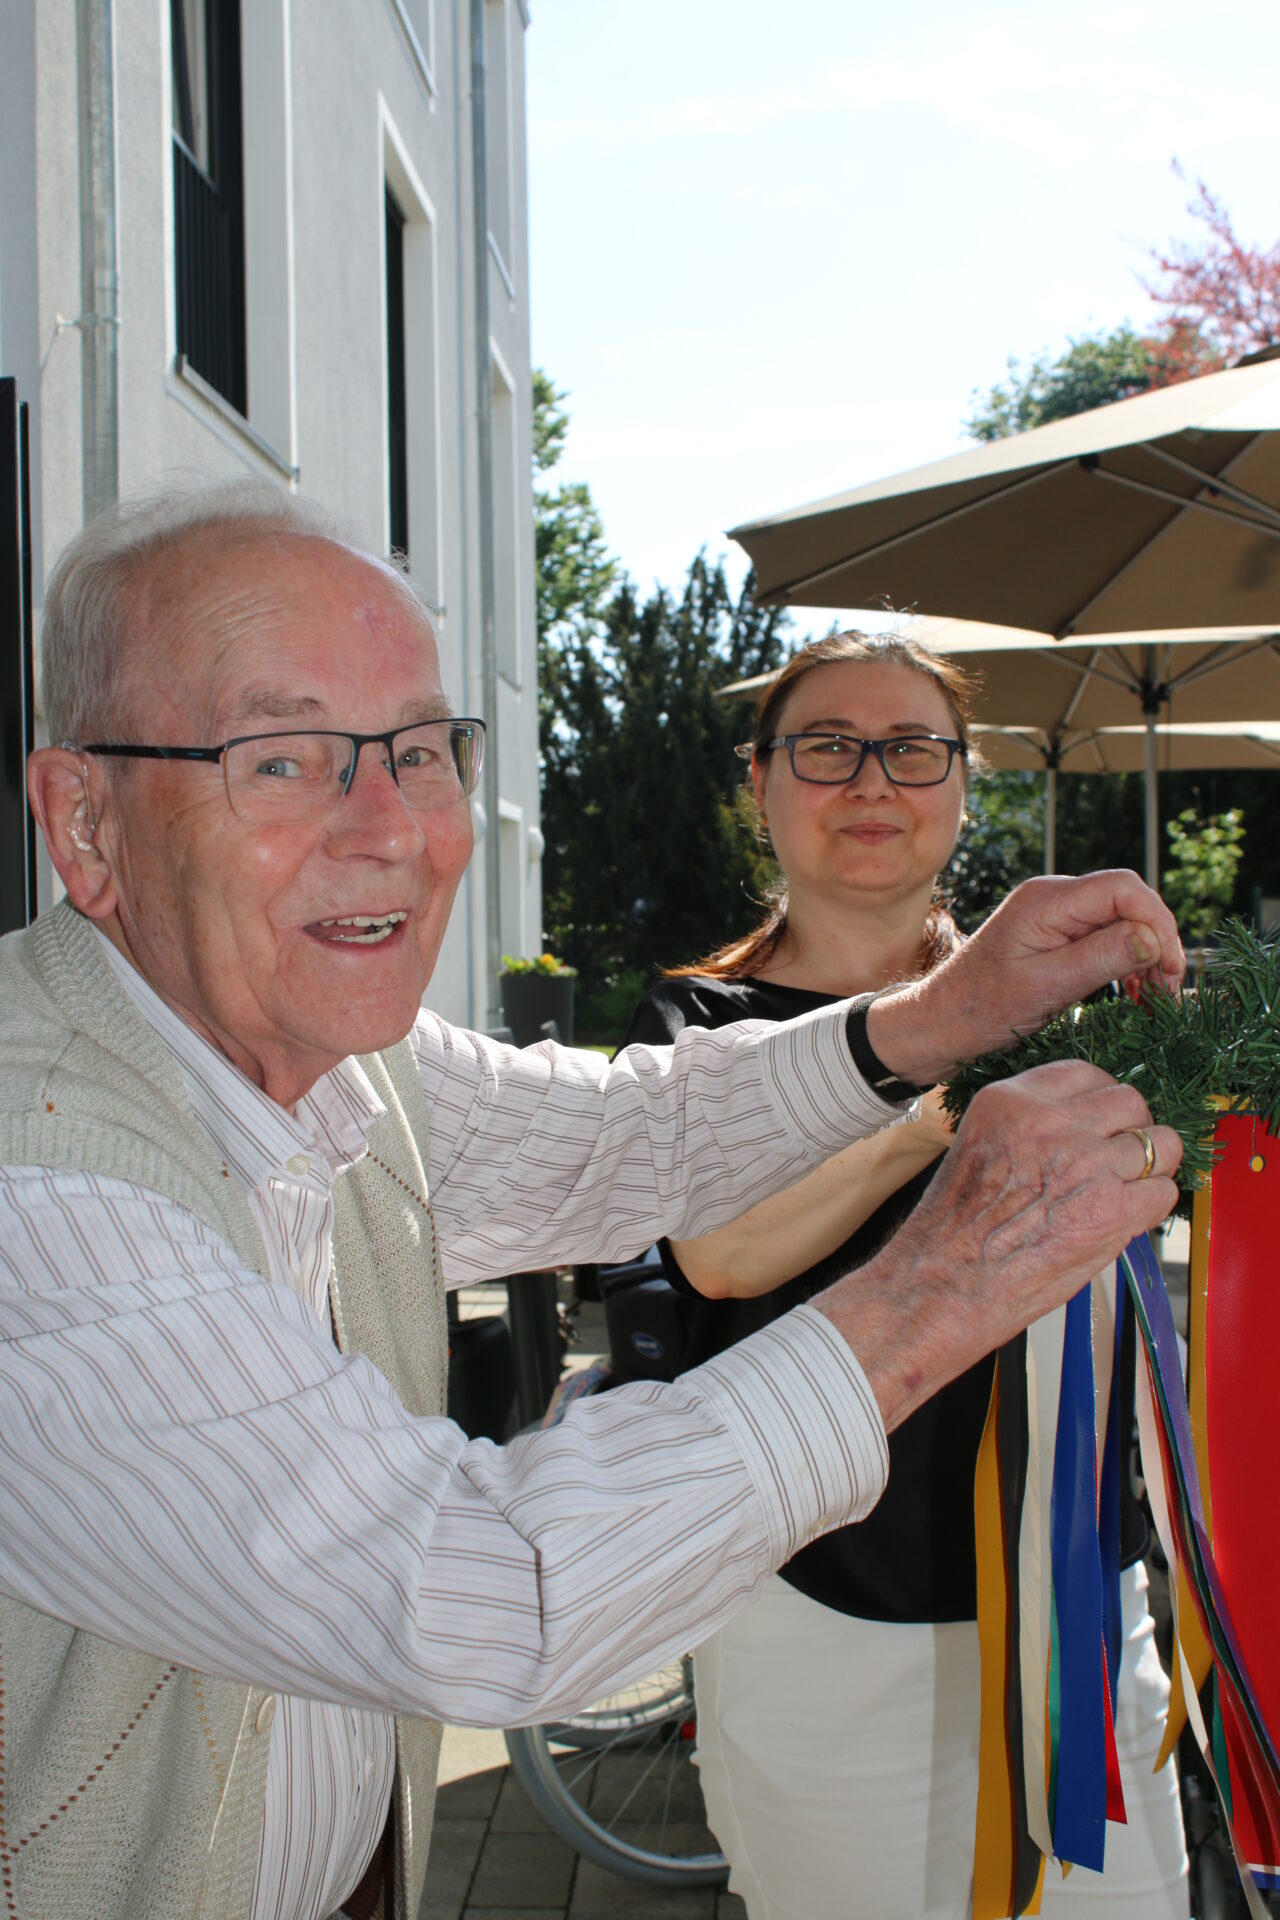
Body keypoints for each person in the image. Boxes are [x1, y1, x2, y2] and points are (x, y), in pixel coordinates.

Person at [0, 486, 1184, 1920]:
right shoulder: (41, 1172)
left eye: (423, 752)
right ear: (85, 821)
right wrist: (943, 1286)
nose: (399, 832)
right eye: (286, 758)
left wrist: (934, 1014)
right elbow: (475, 1596)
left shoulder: (341, 1069)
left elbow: (629, 1132)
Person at [623, 631, 1190, 1920]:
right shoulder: (698, 1029)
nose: (872, 782)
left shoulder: (1077, 1008)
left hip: (1076, 1608)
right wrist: (945, 1102)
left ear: (962, 780)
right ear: (758, 782)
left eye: (911, 749)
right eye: (826, 748)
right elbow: (720, 1252)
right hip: (823, 1615)